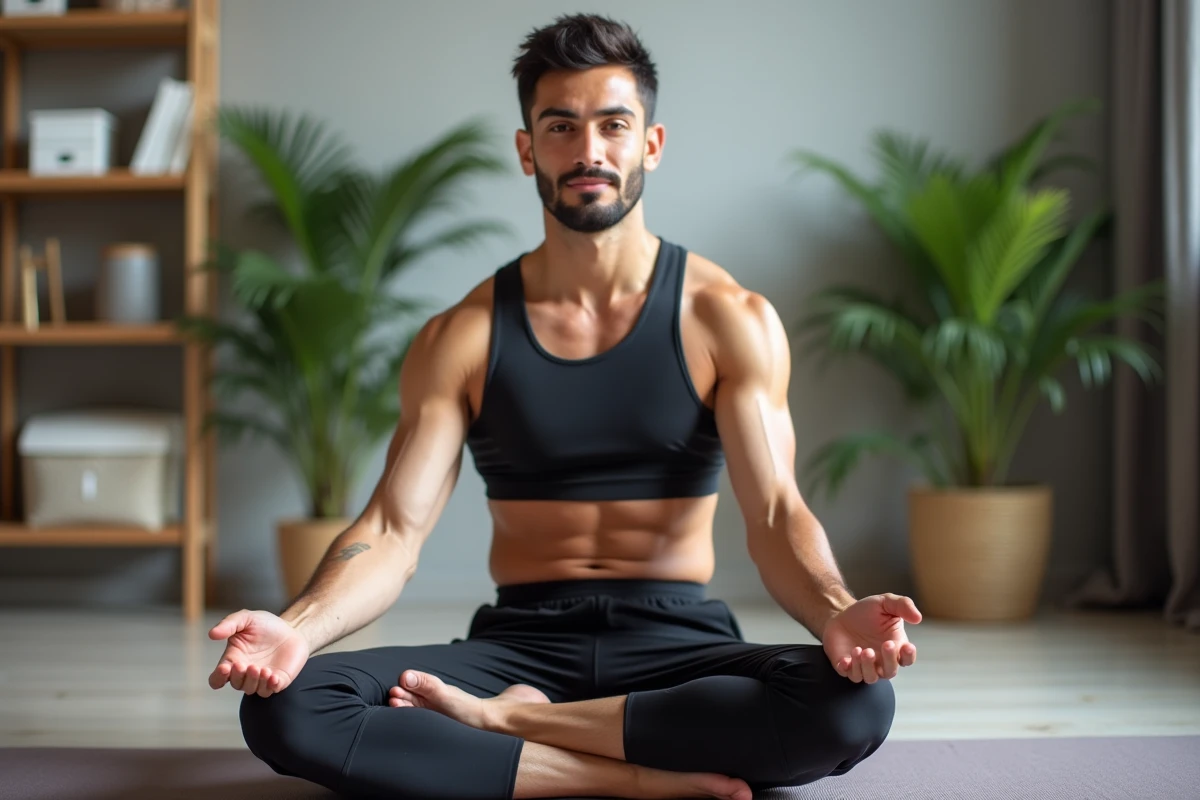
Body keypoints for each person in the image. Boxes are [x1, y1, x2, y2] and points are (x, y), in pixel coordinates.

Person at [208, 13, 922, 800]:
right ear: (527, 150)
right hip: (520, 644)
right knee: (291, 705)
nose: (590, 152)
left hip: (677, 641)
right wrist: (296, 631)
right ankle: (632, 779)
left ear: (650, 142)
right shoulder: (464, 335)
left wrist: (834, 613)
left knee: (853, 704)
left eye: (614, 125)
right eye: (561, 126)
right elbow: (390, 531)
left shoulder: (726, 318)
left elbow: (777, 515)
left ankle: (506, 728)